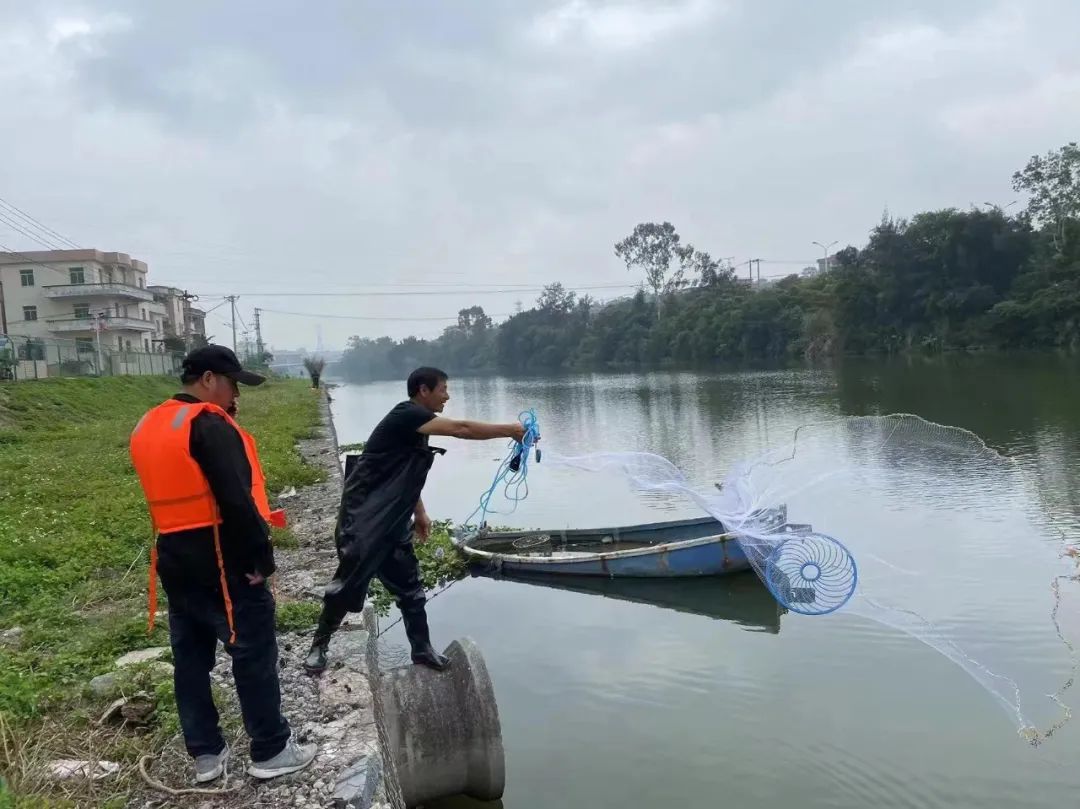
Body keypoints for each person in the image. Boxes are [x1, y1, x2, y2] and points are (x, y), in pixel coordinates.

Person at [129, 345, 316, 784]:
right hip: (220, 556)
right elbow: (236, 498)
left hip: (173, 557)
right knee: (252, 651)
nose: (236, 396)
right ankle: (271, 750)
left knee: (191, 658)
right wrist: (261, 557)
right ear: (209, 379)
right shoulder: (208, 424)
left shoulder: (150, 424)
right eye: (233, 384)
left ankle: (206, 756)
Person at [303, 366, 529, 675]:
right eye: (443, 389)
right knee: (349, 582)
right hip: (365, 516)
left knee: (410, 586)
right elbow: (462, 428)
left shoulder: (418, 427)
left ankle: (421, 649)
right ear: (423, 390)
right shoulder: (406, 415)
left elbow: (404, 474)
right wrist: (511, 430)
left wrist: (419, 512)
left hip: (394, 516)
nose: (447, 395)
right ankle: (319, 644)